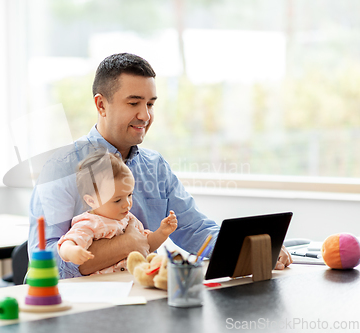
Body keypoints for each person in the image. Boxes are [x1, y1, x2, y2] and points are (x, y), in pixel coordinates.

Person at [28, 52, 292, 278]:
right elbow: (47, 263)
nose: (145, 115)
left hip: (138, 299)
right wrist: (126, 244)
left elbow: (195, 229)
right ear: (101, 104)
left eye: (150, 104)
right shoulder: (60, 169)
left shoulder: (155, 166)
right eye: (134, 103)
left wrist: (250, 247)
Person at [57, 150, 177, 274]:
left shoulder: (129, 219)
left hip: (131, 283)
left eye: (129, 195)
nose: (127, 203)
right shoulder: (90, 222)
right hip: (105, 287)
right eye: (118, 200)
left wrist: (162, 232)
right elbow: (68, 242)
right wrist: (71, 251)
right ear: (92, 201)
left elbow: (146, 245)